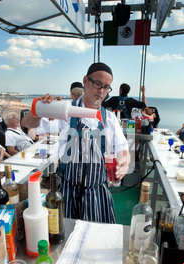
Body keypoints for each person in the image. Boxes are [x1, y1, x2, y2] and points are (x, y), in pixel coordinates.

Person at [21, 62, 131, 224]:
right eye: (97, 84)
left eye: (106, 87)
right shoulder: (64, 111)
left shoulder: (109, 118)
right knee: (64, 239)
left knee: (95, 240)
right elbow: (28, 124)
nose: (101, 91)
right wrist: (39, 109)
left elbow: (123, 149)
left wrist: (125, 162)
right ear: (85, 81)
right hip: (67, 191)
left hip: (97, 193)